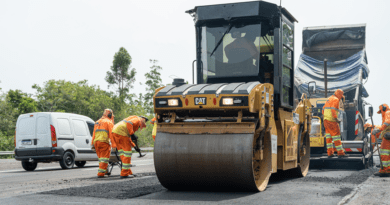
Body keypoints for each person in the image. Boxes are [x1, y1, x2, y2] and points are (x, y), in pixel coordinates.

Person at [322, 89, 347, 158]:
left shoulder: (329, 98)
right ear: (339, 95)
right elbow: (333, 110)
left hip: (326, 120)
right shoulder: (336, 100)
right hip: (331, 120)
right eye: (341, 96)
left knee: (328, 137)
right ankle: (340, 153)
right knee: (336, 136)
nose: (341, 98)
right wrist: (336, 119)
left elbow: (323, 109)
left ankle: (330, 153)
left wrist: (325, 117)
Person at [91, 109, 115, 178]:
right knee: (105, 158)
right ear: (109, 115)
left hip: (96, 143)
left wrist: (92, 143)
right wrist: (114, 145)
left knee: (101, 159)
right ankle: (101, 173)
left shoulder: (97, 122)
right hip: (104, 142)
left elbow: (94, 133)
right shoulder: (108, 122)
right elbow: (111, 134)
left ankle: (105, 171)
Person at [372, 104, 390, 176]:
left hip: (388, 136)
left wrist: (378, 129)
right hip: (387, 135)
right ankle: (387, 170)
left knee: (384, 152)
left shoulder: (387, 113)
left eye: (381, 111)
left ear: (383, 109)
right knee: (387, 154)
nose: (381, 113)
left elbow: (387, 123)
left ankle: (384, 171)